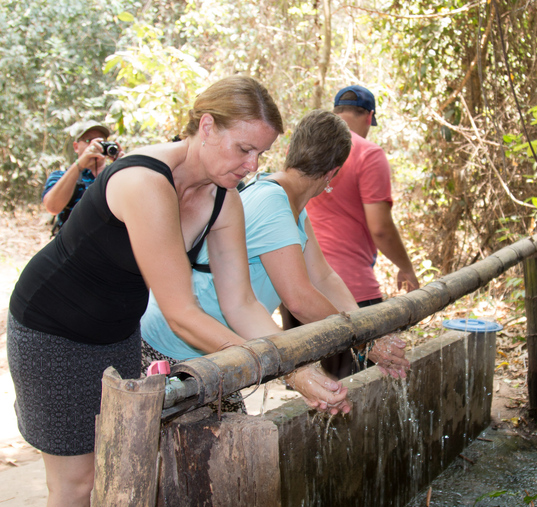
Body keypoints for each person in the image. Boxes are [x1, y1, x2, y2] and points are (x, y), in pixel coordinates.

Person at [7, 76, 349, 507]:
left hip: (116, 332)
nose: (252, 167)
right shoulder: (145, 180)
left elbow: (240, 304)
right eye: (244, 149)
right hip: (53, 329)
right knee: (77, 481)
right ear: (206, 126)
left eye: (261, 154)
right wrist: (286, 371)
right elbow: (181, 313)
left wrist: (296, 363)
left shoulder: (225, 199)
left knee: (124, 466)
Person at [141, 109, 410, 398]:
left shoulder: (291, 202)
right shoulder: (272, 201)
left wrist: (367, 331)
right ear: (333, 172)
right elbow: (299, 299)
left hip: (214, 345)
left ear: (292, 151)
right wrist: (363, 341)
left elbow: (323, 277)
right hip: (174, 345)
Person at [305, 85, 420, 376]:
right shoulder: (368, 154)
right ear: (369, 117)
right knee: (357, 392)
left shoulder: (309, 145)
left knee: (312, 391)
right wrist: (406, 268)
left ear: (335, 113)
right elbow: (380, 228)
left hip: (299, 286)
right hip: (348, 290)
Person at [43, 120, 125, 235]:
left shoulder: (116, 175)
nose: (94, 145)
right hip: (73, 247)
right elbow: (52, 207)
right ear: (76, 147)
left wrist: (125, 166)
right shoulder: (60, 176)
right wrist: (80, 165)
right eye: (88, 141)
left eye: (100, 141)